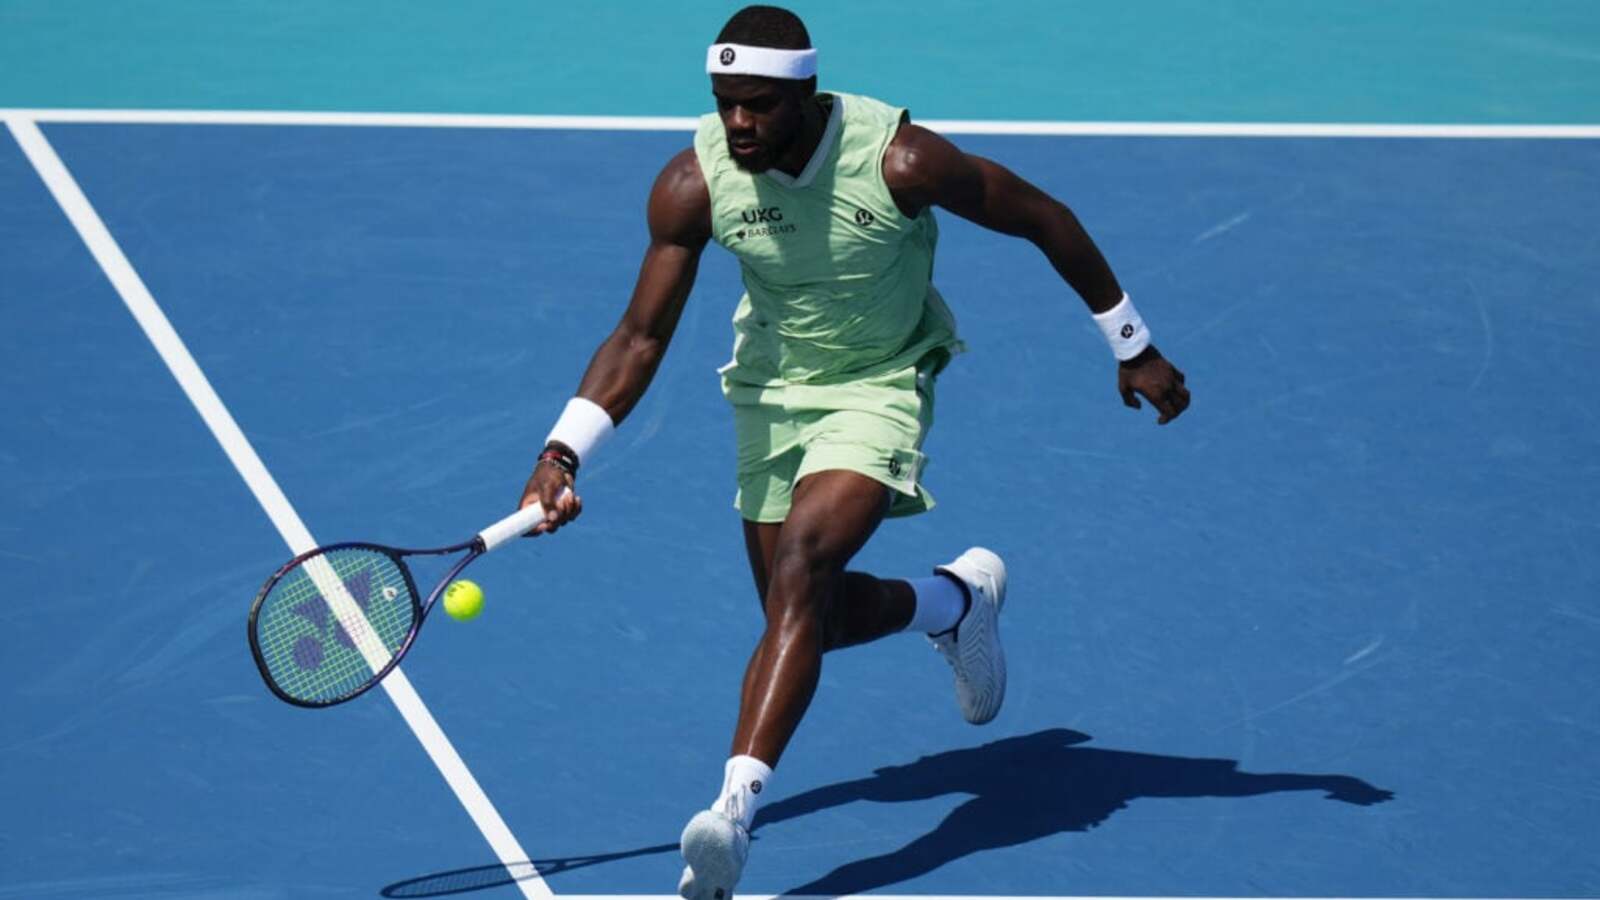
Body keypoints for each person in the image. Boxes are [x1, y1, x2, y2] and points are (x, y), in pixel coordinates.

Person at [517, 5, 1190, 897]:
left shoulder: (900, 162)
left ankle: (729, 819)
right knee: (806, 618)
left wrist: (1133, 345)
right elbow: (640, 338)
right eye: (724, 103)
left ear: (806, 95)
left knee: (802, 566)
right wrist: (562, 453)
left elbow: (1042, 216)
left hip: (880, 381)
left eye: (758, 105)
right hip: (769, 390)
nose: (738, 123)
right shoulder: (694, 182)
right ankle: (952, 603)